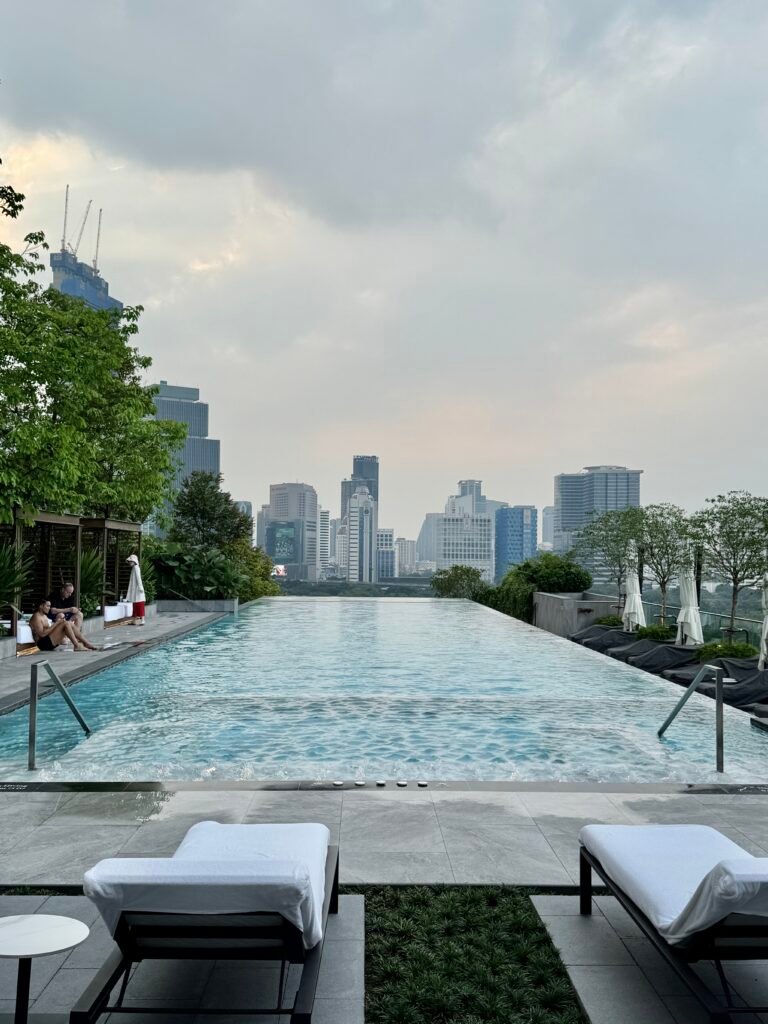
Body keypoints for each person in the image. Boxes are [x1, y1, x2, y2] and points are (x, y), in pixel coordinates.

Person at [30, 599, 98, 652]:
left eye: (50, 606)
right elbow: (42, 634)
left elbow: (48, 630)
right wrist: (57, 623)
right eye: (47, 606)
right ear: (41, 606)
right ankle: (77, 645)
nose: (49, 608)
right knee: (66, 623)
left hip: (49, 640)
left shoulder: (44, 615)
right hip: (43, 644)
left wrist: (57, 624)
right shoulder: (36, 617)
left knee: (69, 623)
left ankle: (86, 643)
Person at [126, 554, 146, 625]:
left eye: (131, 561)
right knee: (135, 604)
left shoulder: (136, 568)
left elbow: (138, 578)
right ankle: (134, 620)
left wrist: (140, 587)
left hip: (138, 590)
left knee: (139, 604)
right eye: (129, 561)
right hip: (135, 590)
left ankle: (143, 619)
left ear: (134, 561)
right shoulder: (134, 568)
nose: (129, 563)